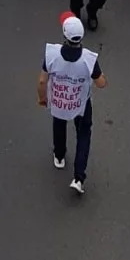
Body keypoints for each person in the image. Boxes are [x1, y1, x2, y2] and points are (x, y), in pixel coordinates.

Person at [37, 12, 106, 197]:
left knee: (59, 125)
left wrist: (43, 98)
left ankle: (59, 156)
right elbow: (101, 82)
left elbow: (42, 81)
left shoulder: (51, 54)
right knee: (83, 135)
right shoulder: (88, 59)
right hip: (81, 103)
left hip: (60, 101)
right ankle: (78, 177)